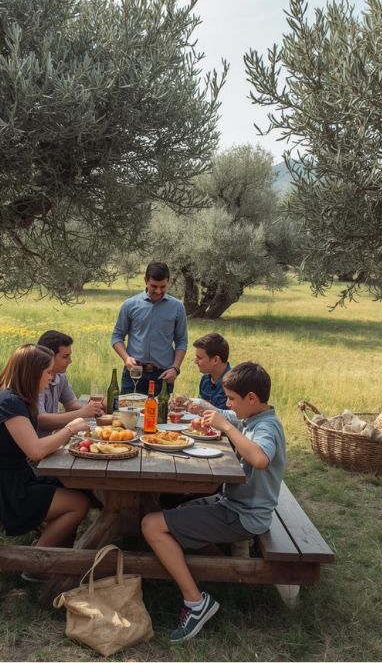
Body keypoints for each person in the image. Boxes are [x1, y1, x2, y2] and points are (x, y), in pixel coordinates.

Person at [141, 363, 285, 642]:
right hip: (235, 504)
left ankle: (196, 602)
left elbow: (259, 459)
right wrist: (198, 406)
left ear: (252, 399)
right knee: (176, 513)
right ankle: (221, 570)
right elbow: (225, 414)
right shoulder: (253, 417)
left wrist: (227, 428)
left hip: (244, 515)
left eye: (232, 398)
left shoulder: (266, 427)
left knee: (151, 525)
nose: (228, 403)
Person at [0, 344, 93, 581]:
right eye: (48, 372)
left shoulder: (19, 399)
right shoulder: (9, 403)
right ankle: (35, 564)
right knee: (78, 503)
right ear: (32, 373)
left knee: (70, 484)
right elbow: (36, 451)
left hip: (11, 477)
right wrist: (70, 428)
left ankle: (57, 552)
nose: (52, 376)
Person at [112, 261, 188, 397]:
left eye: (163, 286)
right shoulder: (130, 305)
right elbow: (117, 336)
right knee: (127, 415)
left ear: (168, 282)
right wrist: (126, 358)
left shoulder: (177, 307)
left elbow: (181, 341)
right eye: (154, 286)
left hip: (162, 375)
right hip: (134, 372)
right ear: (145, 280)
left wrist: (175, 369)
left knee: (159, 417)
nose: (158, 291)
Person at [36, 330, 104, 433]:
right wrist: (82, 413)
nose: (70, 361)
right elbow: (41, 420)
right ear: (48, 356)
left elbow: (71, 404)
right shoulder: (36, 380)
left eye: (70, 356)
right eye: (65, 357)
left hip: (51, 437)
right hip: (37, 443)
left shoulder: (60, 375)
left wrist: (94, 408)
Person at [173, 332, 232, 413]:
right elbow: (200, 409)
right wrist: (185, 404)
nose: (195, 362)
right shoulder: (205, 379)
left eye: (199, 358)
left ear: (215, 360)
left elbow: (233, 418)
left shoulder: (234, 383)